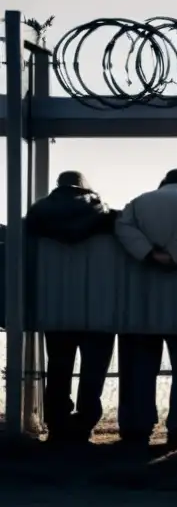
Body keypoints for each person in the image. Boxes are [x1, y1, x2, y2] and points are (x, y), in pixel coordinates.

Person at [114, 168, 177, 448]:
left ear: (163, 183)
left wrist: (149, 253)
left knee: (143, 365)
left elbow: (122, 227)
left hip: (142, 299)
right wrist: (174, 254)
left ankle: (139, 424)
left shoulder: (138, 202)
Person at [25, 171, 118, 445]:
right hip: (99, 305)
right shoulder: (105, 215)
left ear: (58, 187)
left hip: (55, 305)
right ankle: (85, 424)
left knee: (58, 368)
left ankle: (56, 426)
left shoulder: (38, 216)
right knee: (94, 370)